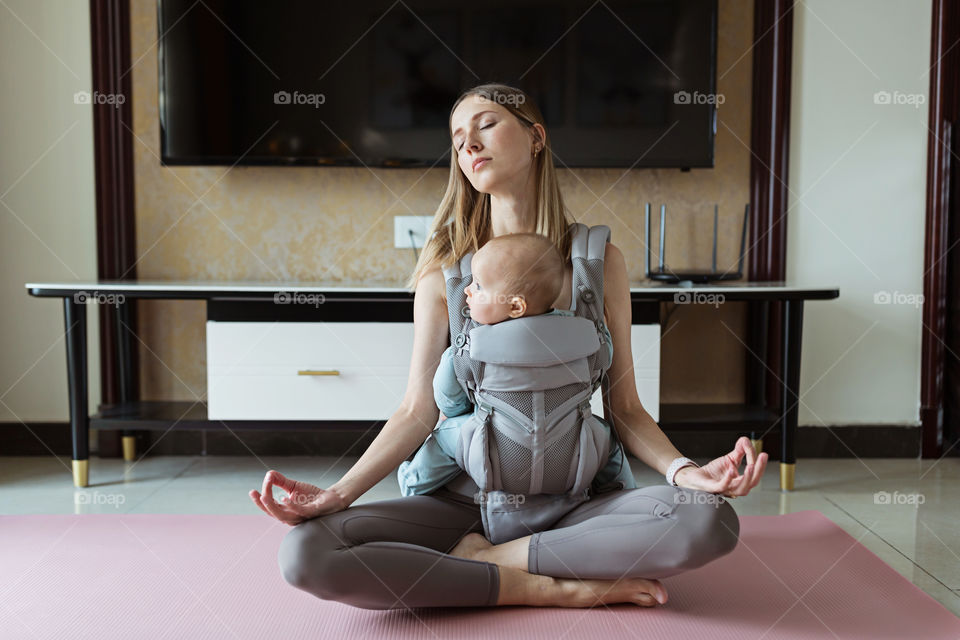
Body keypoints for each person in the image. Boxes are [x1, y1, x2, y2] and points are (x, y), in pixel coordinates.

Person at [250, 83, 768, 610]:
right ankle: (538, 585)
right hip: (464, 507)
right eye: (457, 139)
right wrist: (338, 494)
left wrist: (687, 472)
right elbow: (415, 411)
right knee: (307, 554)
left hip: (575, 505)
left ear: (536, 137)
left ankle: (498, 561)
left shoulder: (599, 264)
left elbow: (626, 409)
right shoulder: (445, 276)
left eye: (486, 124)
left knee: (708, 518)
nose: (468, 145)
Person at [396, 230, 624, 498]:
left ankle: (412, 482)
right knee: (609, 441)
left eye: (478, 286)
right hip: (571, 461)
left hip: (494, 459)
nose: (468, 290)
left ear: (515, 306)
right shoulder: (585, 333)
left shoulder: (471, 347)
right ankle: (622, 491)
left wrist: (459, 410)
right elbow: (603, 360)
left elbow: (449, 402)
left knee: (446, 434)